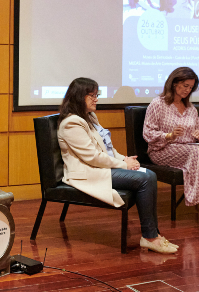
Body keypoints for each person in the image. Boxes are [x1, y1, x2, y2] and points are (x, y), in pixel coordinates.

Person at [58, 78, 178, 254]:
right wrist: (123, 164)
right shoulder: (71, 123)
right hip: (87, 173)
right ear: (78, 96)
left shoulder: (89, 117)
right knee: (145, 179)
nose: (96, 99)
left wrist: (125, 159)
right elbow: (92, 157)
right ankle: (150, 237)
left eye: (96, 95)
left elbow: (107, 148)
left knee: (150, 174)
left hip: (101, 167)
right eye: (91, 95)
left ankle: (153, 234)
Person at [143, 67, 199, 215]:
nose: (188, 90)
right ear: (174, 83)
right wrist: (169, 136)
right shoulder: (158, 104)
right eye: (185, 86)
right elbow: (148, 133)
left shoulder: (190, 108)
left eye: (191, 87)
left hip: (189, 149)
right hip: (162, 150)